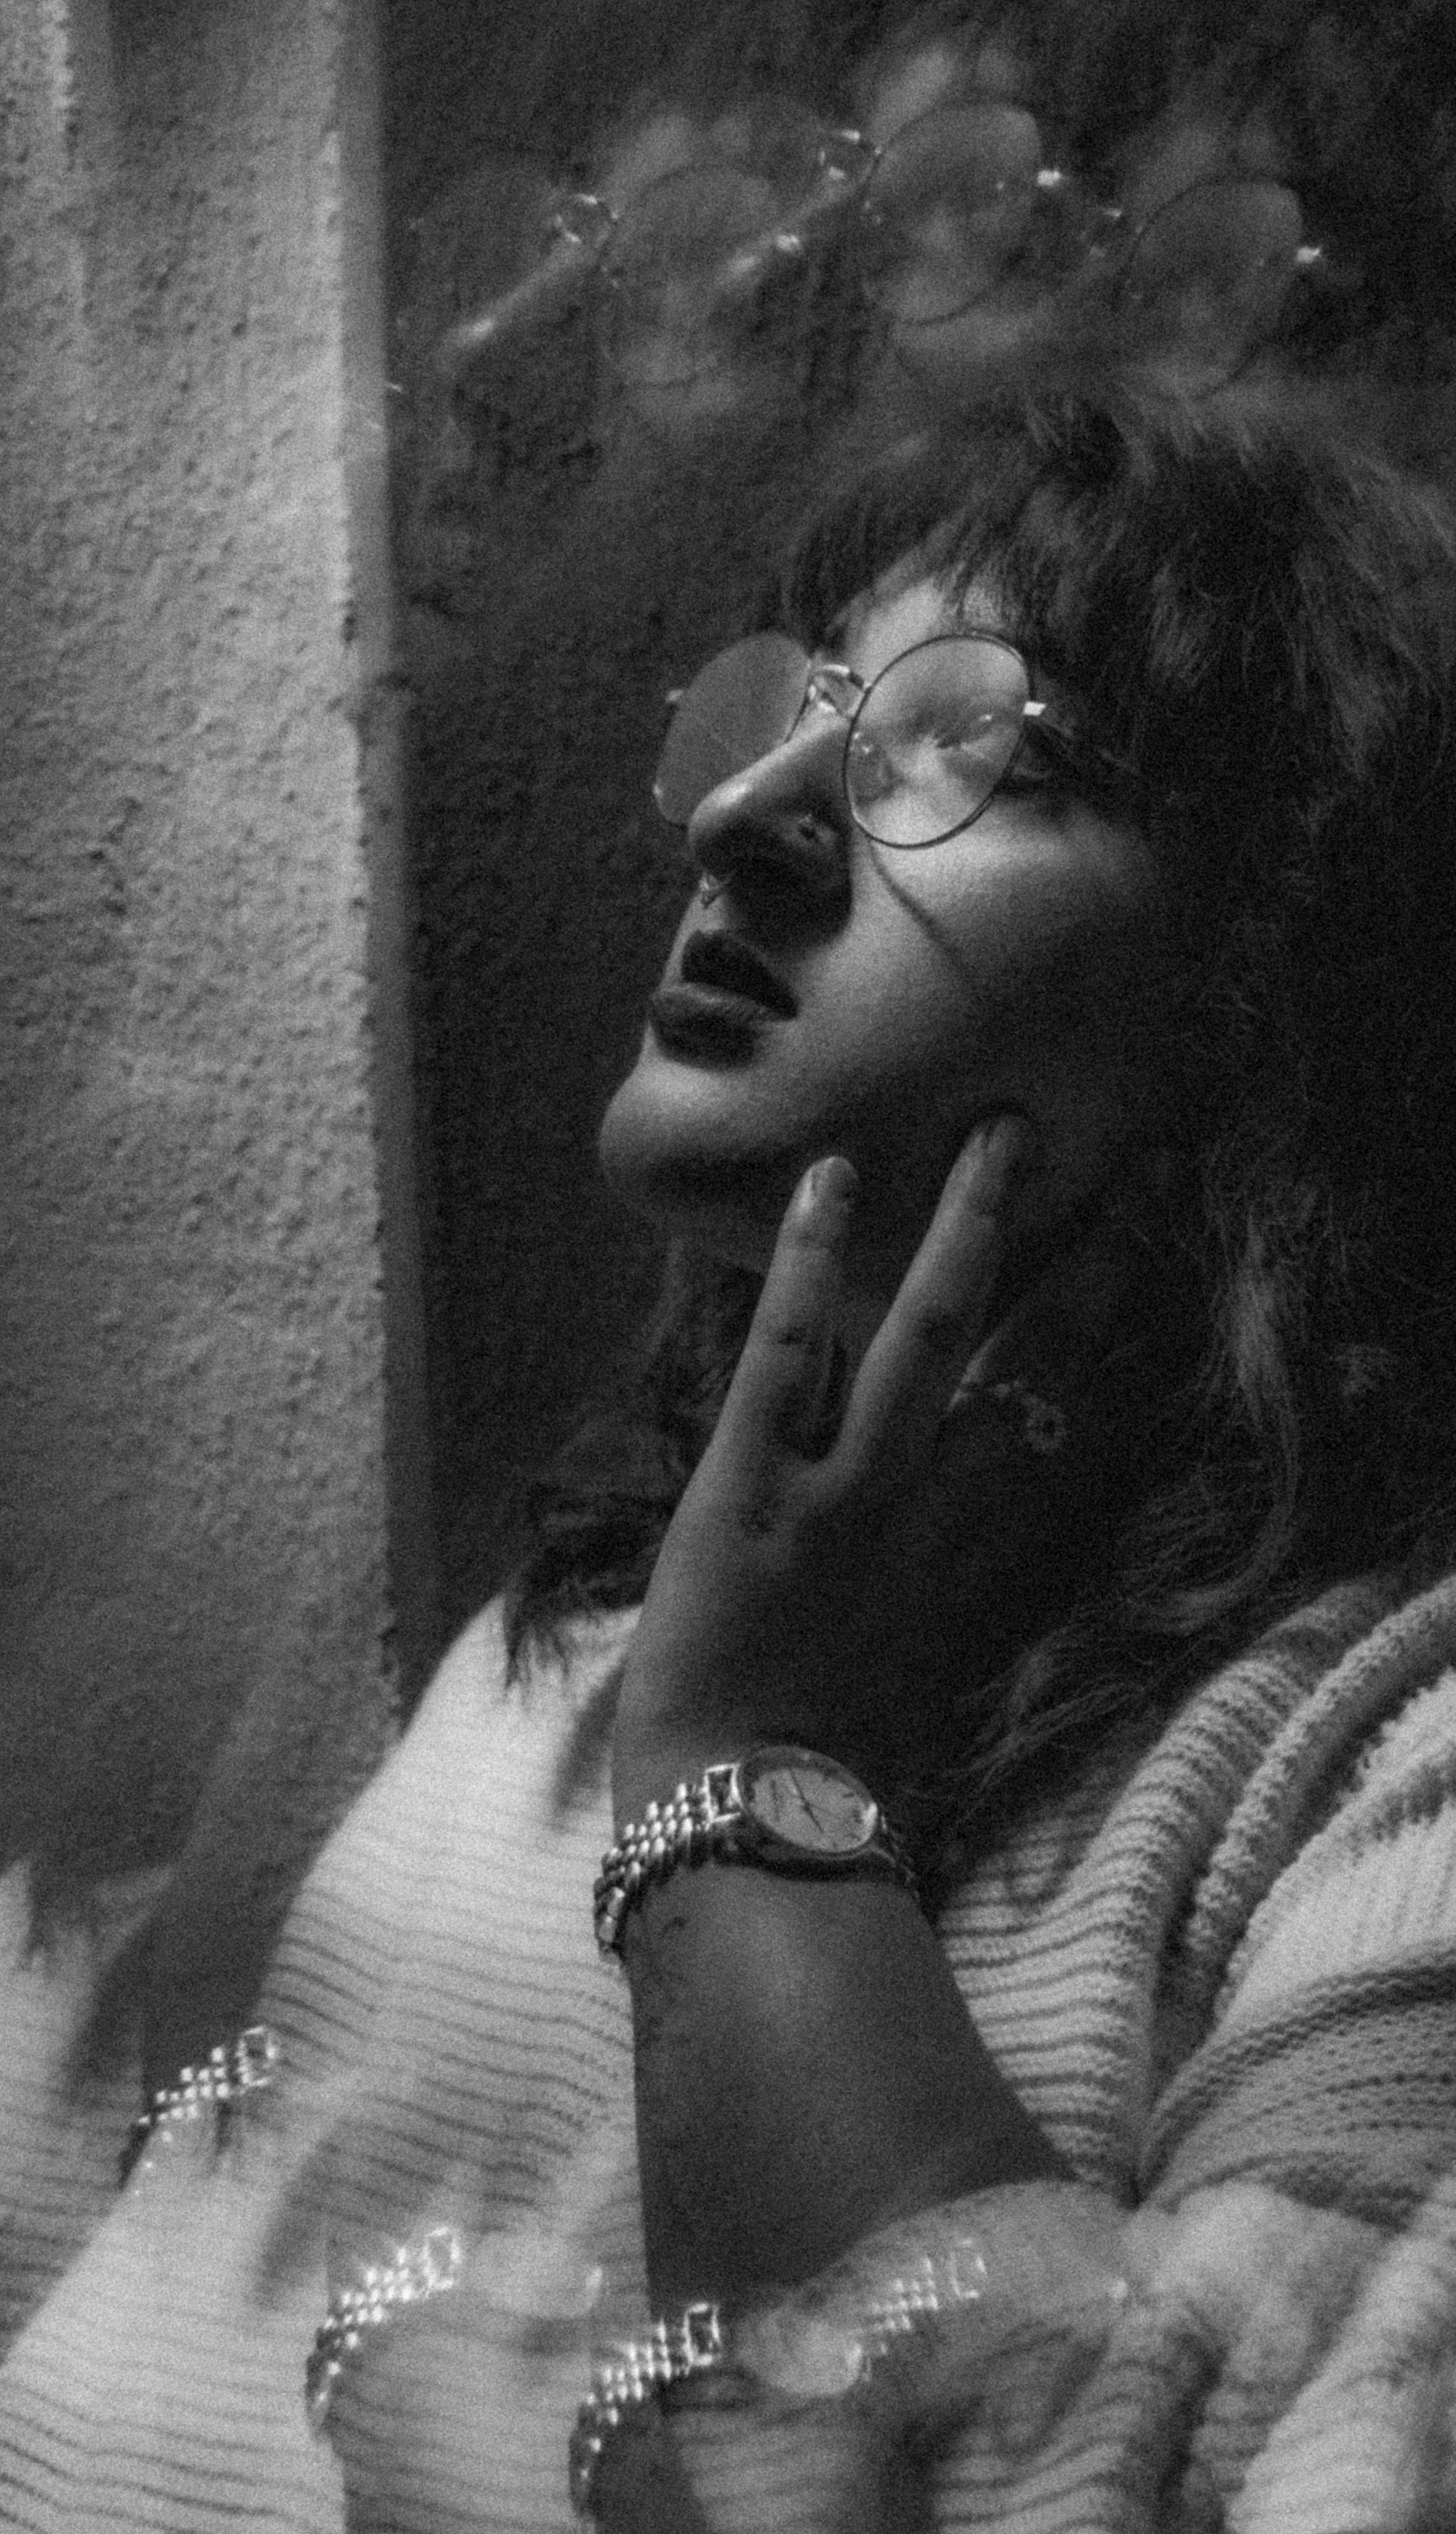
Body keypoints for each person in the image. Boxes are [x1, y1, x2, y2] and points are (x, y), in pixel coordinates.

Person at [4, 384, 1456, 2532]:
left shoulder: (1387, 1769)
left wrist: (748, 1779)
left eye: (986, 750)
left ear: (1289, 994)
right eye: (800, 714)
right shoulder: (585, 1622)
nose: (752, 812)